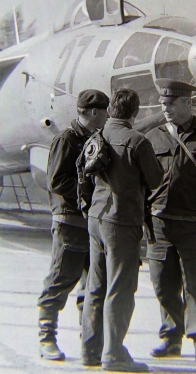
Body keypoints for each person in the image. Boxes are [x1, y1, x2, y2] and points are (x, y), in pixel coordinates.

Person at [145, 79, 196, 363]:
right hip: (159, 223)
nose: (165, 107)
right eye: (162, 103)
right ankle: (170, 337)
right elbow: (143, 183)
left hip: (194, 224)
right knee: (163, 283)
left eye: (170, 103)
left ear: (187, 102)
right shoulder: (152, 137)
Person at [81, 88, 163, 372]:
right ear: (134, 112)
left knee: (96, 285)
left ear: (112, 109)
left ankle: (90, 349)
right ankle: (114, 354)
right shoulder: (137, 141)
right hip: (121, 221)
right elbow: (155, 180)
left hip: (96, 218)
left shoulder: (97, 136)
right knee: (120, 287)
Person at [37, 89, 110, 361]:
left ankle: (88, 340)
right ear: (93, 113)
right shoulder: (66, 140)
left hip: (92, 223)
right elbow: (55, 182)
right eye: (104, 111)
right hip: (70, 222)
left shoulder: (97, 138)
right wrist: (90, 191)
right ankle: (47, 338)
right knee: (60, 281)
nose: (107, 116)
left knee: (91, 285)